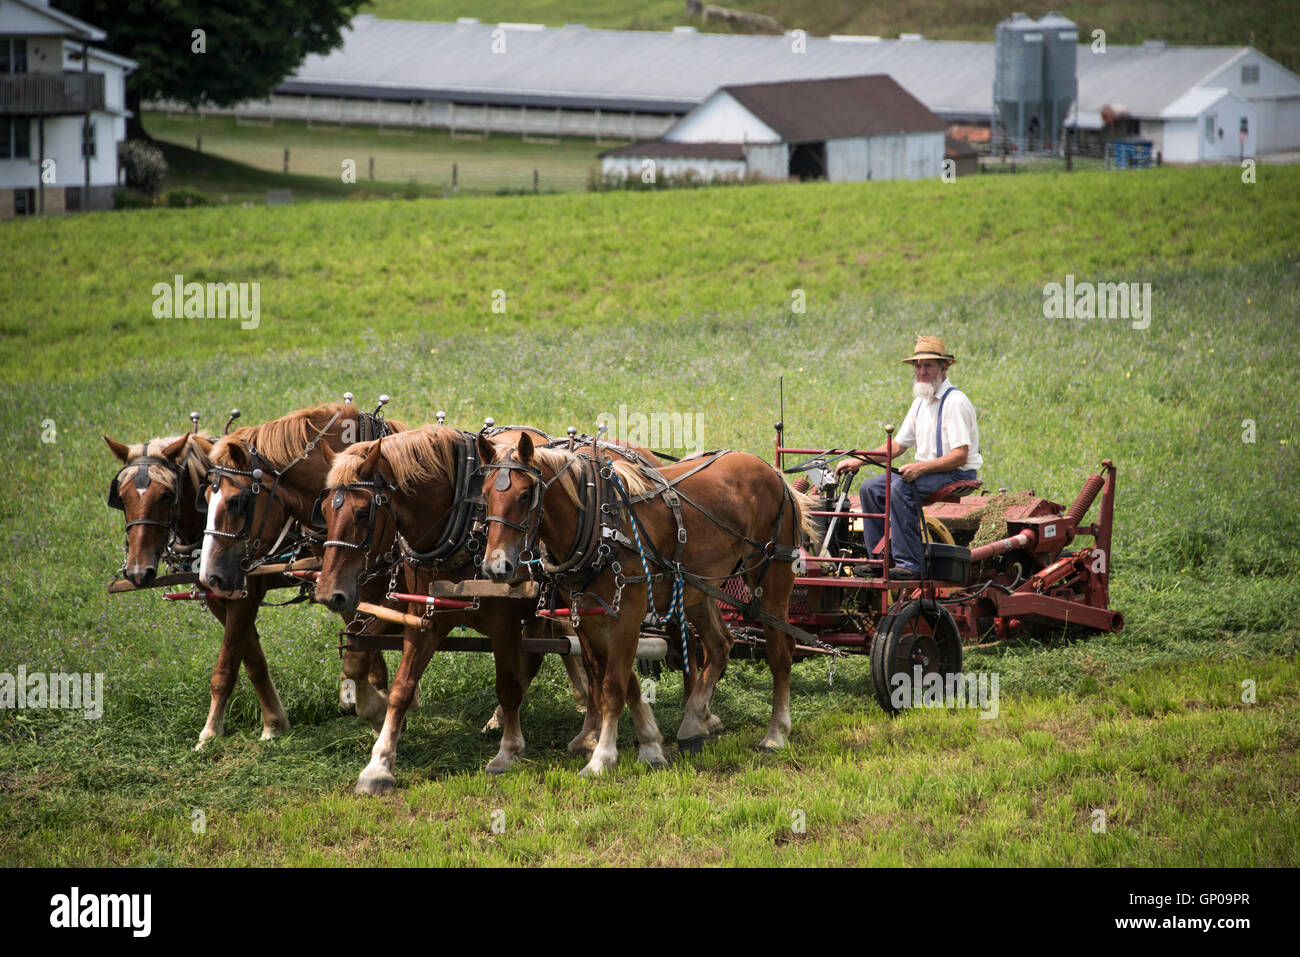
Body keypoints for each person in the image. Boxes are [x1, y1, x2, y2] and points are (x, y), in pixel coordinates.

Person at [834, 335, 981, 579]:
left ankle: (910, 565)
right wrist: (858, 459)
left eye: (928, 365)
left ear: (944, 368)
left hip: (955, 472)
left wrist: (921, 469)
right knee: (871, 489)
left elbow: (960, 456)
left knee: (901, 488)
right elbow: (898, 445)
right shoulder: (920, 403)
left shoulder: (955, 402)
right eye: (918, 366)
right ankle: (879, 560)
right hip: (928, 470)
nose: (921, 371)